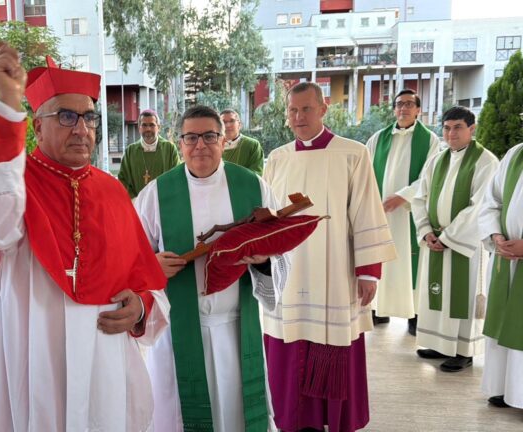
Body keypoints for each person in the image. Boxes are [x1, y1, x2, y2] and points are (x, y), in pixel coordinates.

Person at [0, 42, 170, 431]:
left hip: (103, 357)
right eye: (66, 116)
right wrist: (7, 106)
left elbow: (146, 281)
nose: (81, 129)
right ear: (37, 124)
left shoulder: (112, 192)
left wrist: (142, 308)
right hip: (30, 348)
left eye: (89, 118)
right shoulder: (12, 183)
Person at [134, 105, 280, 431]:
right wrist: (151, 265)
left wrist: (266, 260)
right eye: (191, 137)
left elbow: (280, 248)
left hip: (235, 331)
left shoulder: (253, 187)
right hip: (176, 333)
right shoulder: (157, 193)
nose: (200, 145)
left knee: (237, 416)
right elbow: (130, 253)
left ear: (224, 139)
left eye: (210, 136)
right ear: (180, 142)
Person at [262, 82, 397, 432]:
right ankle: (290, 419)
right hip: (287, 274)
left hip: (335, 272)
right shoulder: (277, 159)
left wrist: (368, 272)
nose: (298, 117)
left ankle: (330, 420)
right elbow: (265, 218)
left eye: (306, 109)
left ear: (323, 109)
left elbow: (367, 212)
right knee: (286, 345)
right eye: (292, 110)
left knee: (331, 343)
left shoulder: (352, 154)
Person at [411, 106, 499, 372]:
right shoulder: (437, 159)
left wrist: (447, 238)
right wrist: (426, 230)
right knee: (437, 295)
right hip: (434, 240)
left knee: (461, 296)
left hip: (462, 246)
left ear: (472, 129)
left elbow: (480, 206)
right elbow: (420, 196)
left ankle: (463, 350)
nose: (451, 133)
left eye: (458, 127)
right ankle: (440, 344)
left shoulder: (486, 161)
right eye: (447, 128)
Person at [366, 89, 441, 333]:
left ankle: (414, 315)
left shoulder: (430, 140)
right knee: (383, 259)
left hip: (409, 212)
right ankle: (380, 308)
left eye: (409, 104)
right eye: (399, 104)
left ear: (418, 109)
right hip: (381, 212)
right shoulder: (378, 138)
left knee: (410, 263)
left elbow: (430, 178)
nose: (403, 108)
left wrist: (402, 197)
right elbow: (364, 172)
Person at [479, 141, 523, 409]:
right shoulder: (516, 153)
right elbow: (491, 200)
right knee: (503, 321)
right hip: (506, 257)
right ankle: (504, 388)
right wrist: (495, 234)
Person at [118, 109, 180, 198]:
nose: (148, 129)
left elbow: (176, 177)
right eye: (144, 125)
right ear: (139, 128)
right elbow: (123, 180)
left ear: (158, 127)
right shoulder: (130, 151)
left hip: (163, 203)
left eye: (152, 125)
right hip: (138, 206)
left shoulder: (169, 148)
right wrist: (135, 200)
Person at [220, 109, 265, 175]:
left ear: (239, 125)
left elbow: (256, 174)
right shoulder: (213, 145)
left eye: (232, 121)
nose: (227, 125)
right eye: (223, 122)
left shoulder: (252, 145)